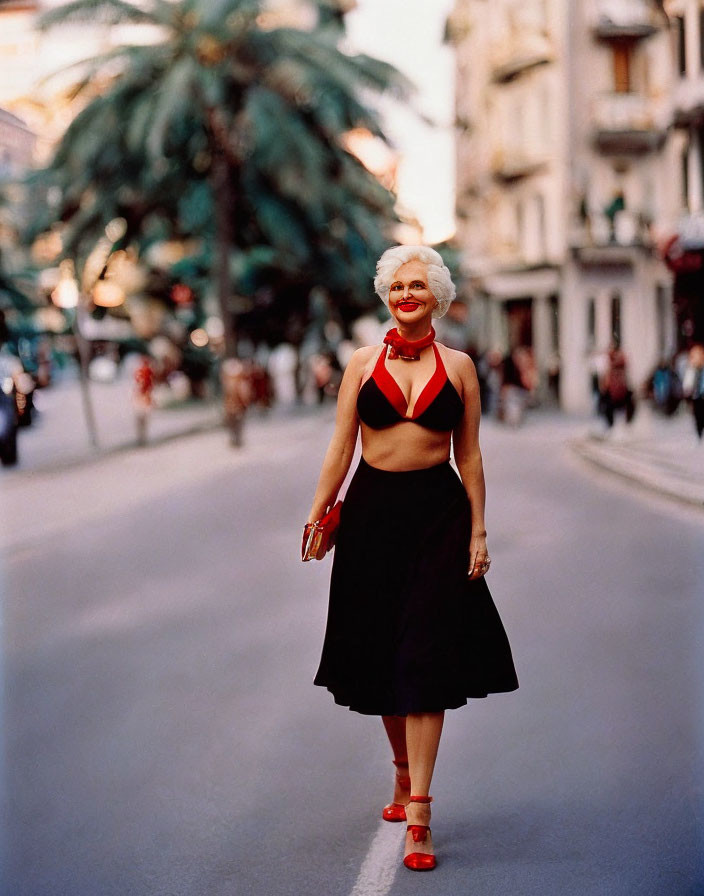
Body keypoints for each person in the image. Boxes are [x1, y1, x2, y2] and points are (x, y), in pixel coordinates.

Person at [304, 245, 518, 872]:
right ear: (385, 295)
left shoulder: (460, 369)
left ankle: (419, 809)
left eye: (418, 285)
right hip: (371, 518)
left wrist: (478, 532)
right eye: (396, 285)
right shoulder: (361, 364)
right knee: (381, 657)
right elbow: (341, 445)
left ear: (437, 296)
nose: (406, 293)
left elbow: (470, 456)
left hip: (438, 519)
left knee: (425, 658)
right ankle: (401, 773)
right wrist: (320, 512)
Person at [682, 343, 704, 440]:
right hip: (696, 396)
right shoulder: (691, 369)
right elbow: (687, 383)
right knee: (697, 415)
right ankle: (699, 432)